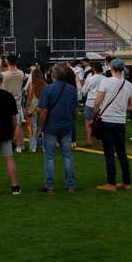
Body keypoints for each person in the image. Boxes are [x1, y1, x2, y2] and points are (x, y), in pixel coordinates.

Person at [92, 59, 132, 190]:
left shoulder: (106, 82)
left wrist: (94, 117)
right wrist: (122, 107)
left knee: (109, 153)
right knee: (121, 152)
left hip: (107, 121)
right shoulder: (128, 85)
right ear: (123, 70)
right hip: (120, 122)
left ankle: (111, 182)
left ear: (111, 68)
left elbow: (97, 103)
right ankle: (126, 181)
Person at [37, 64, 80, 193]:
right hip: (66, 127)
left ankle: (49, 186)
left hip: (51, 127)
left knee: (49, 157)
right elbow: (76, 109)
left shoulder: (48, 89)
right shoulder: (71, 89)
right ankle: (71, 185)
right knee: (67, 156)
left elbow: (44, 110)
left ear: (53, 74)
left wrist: (39, 129)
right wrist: (71, 120)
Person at [0, 54, 26, 150]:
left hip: (5, 99)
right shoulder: (21, 73)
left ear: (7, 62)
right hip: (17, 99)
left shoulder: (4, 75)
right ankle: (19, 146)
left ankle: (4, 145)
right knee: (17, 123)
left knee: (3, 122)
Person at [79, 60, 105, 146]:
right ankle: (102, 141)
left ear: (93, 69)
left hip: (91, 102)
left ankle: (89, 141)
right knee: (102, 122)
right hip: (102, 102)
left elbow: (84, 91)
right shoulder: (105, 79)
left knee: (87, 121)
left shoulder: (90, 79)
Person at [24, 65, 47, 152]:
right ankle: (42, 146)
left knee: (32, 126)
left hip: (33, 104)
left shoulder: (31, 84)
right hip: (42, 105)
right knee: (42, 127)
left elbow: (29, 97)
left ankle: (32, 147)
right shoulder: (45, 85)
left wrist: (26, 107)